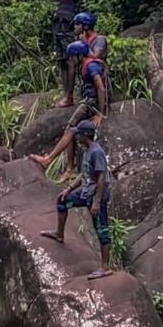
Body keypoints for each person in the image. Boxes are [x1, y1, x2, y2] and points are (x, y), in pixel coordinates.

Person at [39, 120, 114, 280]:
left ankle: (105, 267)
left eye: (78, 133)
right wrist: (69, 189)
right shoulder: (87, 151)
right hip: (85, 193)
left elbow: (101, 177)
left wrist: (97, 201)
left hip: (96, 195)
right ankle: (59, 233)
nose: (76, 136)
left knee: (101, 228)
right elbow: (84, 174)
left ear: (85, 135)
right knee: (63, 201)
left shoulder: (96, 152)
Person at [27, 39, 109, 174]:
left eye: (72, 57)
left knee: (70, 129)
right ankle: (69, 168)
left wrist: (100, 113)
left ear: (79, 55)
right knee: (71, 129)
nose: (70, 60)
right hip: (89, 100)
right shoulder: (86, 63)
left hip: (91, 103)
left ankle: (50, 160)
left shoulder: (91, 66)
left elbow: (100, 88)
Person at [44, 0, 84, 108]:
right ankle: (65, 94)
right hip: (58, 25)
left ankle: (69, 96)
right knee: (61, 61)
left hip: (68, 24)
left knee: (70, 60)